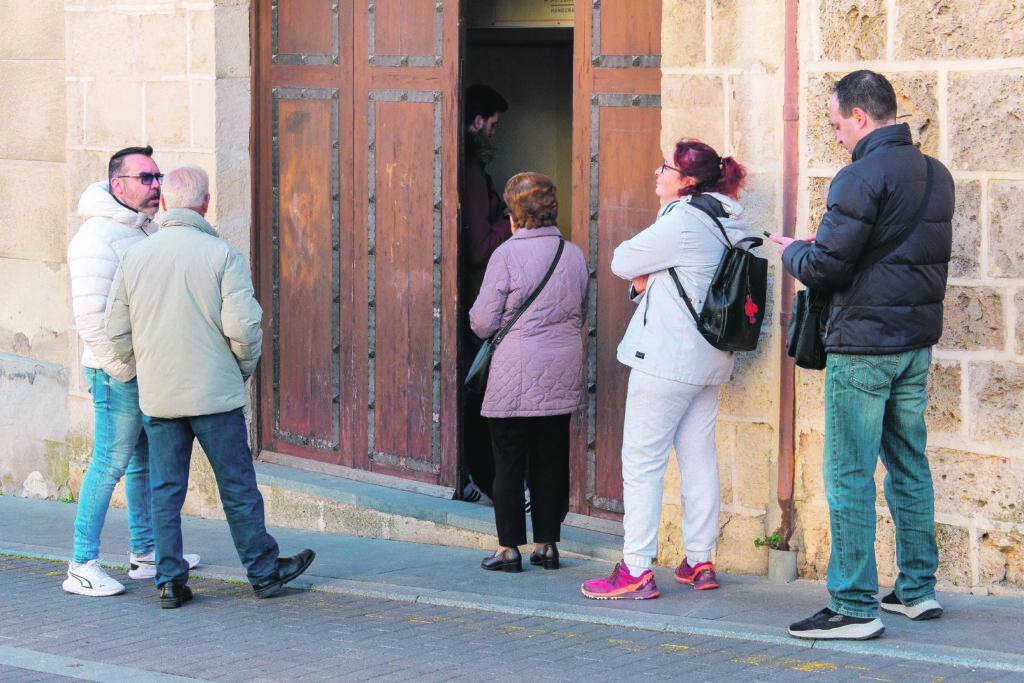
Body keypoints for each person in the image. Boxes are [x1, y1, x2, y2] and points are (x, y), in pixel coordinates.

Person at [771, 71, 955, 641]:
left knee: (848, 473)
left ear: (860, 117)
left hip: (864, 348)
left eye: (835, 124)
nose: (835, 136)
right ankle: (916, 590)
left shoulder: (859, 176)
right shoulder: (937, 174)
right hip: (914, 344)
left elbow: (828, 267)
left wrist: (795, 250)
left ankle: (853, 605)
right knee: (908, 462)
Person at [105, 164, 314, 609]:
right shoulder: (222, 256)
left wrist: (144, 368)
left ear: (164, 203)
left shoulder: (135, 257)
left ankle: (169, 580)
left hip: (160, 396)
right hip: (214, 395)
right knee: (237, 486)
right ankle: (262, 571)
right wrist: (239, 370)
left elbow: (116, 330)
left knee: (165, 490)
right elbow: (245, 327)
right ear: (206, 203)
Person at [581, 139, 749, 599]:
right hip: (711, 357)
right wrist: (653, 277)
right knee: (699, 459)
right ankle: (699, 561)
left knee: (642, 462)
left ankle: (635, 569)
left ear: (687, 180)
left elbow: (621, 261)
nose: (657, 173)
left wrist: (647, 276)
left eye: (665, 168)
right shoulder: (729, 216)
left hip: (668, 359)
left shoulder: (683, 220)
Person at [64, 145, 199, 597]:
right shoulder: (96, 239)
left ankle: (145, 554)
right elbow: (91, 319)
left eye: (158, 177)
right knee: (108, 464)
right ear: (117, 184)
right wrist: (123, 371)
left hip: (142, 370)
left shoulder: (142, 229)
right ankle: (82, 564)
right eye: (145, 178)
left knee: (142, 462)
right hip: (115, 372)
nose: (156, 185)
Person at [469, 172, 588, 572]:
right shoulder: (573, 254)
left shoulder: (505, 255)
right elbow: (580, 314)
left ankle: (509, 549)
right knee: (550, 459)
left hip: (515, 378)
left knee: (508, 461)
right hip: (560, 373)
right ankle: (548, 545)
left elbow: (484, 323)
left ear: (514, 214)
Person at [461, 84, 513, 505]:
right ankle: (486, 478)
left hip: (475, 301)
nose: (494, 135)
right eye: (492, 126)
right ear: (478, 122)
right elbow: (478, 247)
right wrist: (509, 223)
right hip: (479, 302)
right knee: (481, 398)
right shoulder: (473, 176)